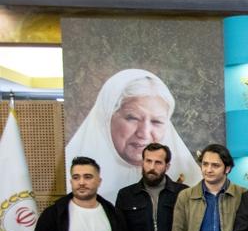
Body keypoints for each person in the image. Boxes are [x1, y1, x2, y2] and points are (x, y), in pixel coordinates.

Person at [65, 69, 201, 202]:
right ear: (107, 119)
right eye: (132, 118)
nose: (144, 133)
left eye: (156, 121)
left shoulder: (187, 186)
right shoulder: (69, 175)